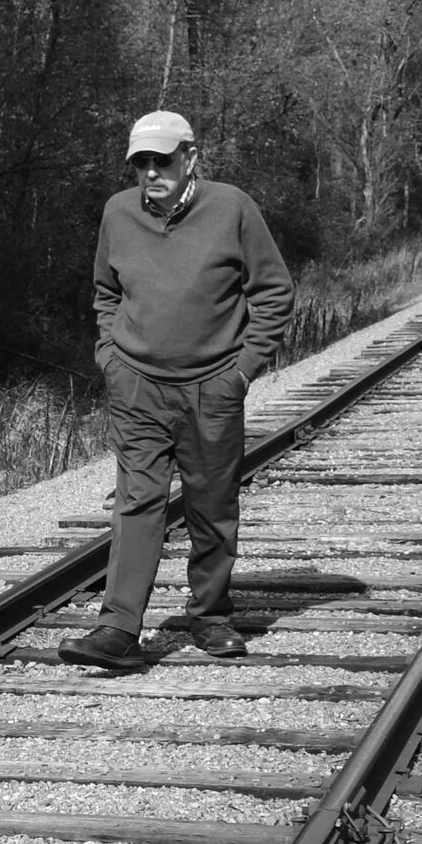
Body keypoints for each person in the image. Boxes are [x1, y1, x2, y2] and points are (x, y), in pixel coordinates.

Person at [61, 111, 296, 673]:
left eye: (161, 160)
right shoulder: (118, 213)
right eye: (140, 163)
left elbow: (273, 293)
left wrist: (240, 372)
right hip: (136, 386)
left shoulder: (233, 208)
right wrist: (110, 357)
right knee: (137, 500)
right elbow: (105, 292)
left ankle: (210, 616)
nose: (150, 173)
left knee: (211, 505)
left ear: (191, 157)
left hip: (211, 386)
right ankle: (118, 627)